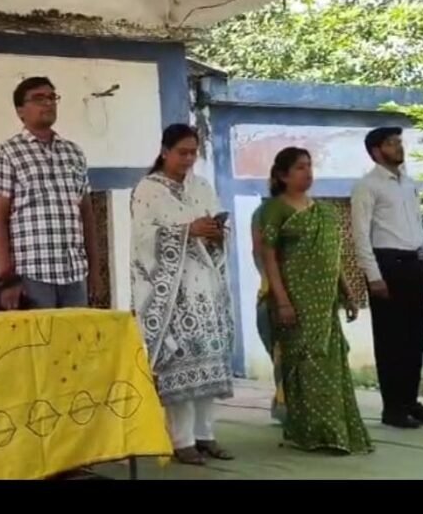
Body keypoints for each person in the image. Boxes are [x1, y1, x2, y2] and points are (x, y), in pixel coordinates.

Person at [130, 123, 234, 466]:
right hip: (172, 295)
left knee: (208, 363)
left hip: (205, 289)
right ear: (165, 152)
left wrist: (216, 233)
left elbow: (220, 231)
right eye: (182, 152)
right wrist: (187, 231)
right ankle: (182, 441)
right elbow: (142, 239)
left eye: (193, 153)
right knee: (180, 365)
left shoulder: (201, 186)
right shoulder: (148, 189)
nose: (189, 159)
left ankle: (206, 435)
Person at [257, 147, 372, 454]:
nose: (307, 173)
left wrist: (348, 293)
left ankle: (336, 432)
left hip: (325, 303)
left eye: (309, 166)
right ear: (282, 175)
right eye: (299, 167)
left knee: (331, 365)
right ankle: (308, 432)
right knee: (305, 365)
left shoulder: (323, 211)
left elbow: (332, 258)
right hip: (296, 300)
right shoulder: (274, 210)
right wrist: (282, 301)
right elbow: (268, 258)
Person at [350, 127, 423, 429]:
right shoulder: (367, 186)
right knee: (390, 339)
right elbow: (360, 235)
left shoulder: (408, 184)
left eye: (399, 142)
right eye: (392, 143)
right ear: (376, 151)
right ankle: (392, 407)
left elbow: (417, 228)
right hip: (387, 264)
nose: (398, 147)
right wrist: (374, 275)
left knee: (413, 338)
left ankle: (410, 401)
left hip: (412, 263)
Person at [0, 77, 102, 310]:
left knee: (76, 333)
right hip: (32, 276)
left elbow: (86, 216)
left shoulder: (74, 153)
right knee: (39, 335)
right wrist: (7, 278)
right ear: (20, 111)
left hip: (74, 274)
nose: (48, 103)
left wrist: (95, 271)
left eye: (52, 97)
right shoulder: (7, 153)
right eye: (38, 98)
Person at [252, 202, 286, 423]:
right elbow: (260, 254)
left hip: (309, 297)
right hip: (272, 299)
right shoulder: (264, 214)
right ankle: (285, 405)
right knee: (281, 355)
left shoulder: (314, 211)